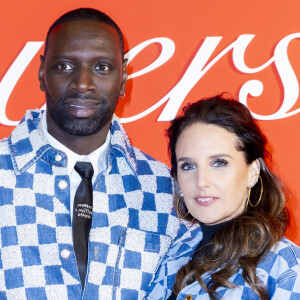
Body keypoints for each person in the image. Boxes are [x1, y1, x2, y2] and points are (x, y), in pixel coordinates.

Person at [0, 8, 201, 299]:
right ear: (42, 73)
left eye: (102, 67)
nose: (83, 84)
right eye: (65, 66)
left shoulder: (164, 191)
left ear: (124, 78)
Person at [146, 95, 300, 299]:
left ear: (253, 171)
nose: (201, 181)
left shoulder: (286, 268)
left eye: (219, 163)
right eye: (188, 166)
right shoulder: (170, 253)